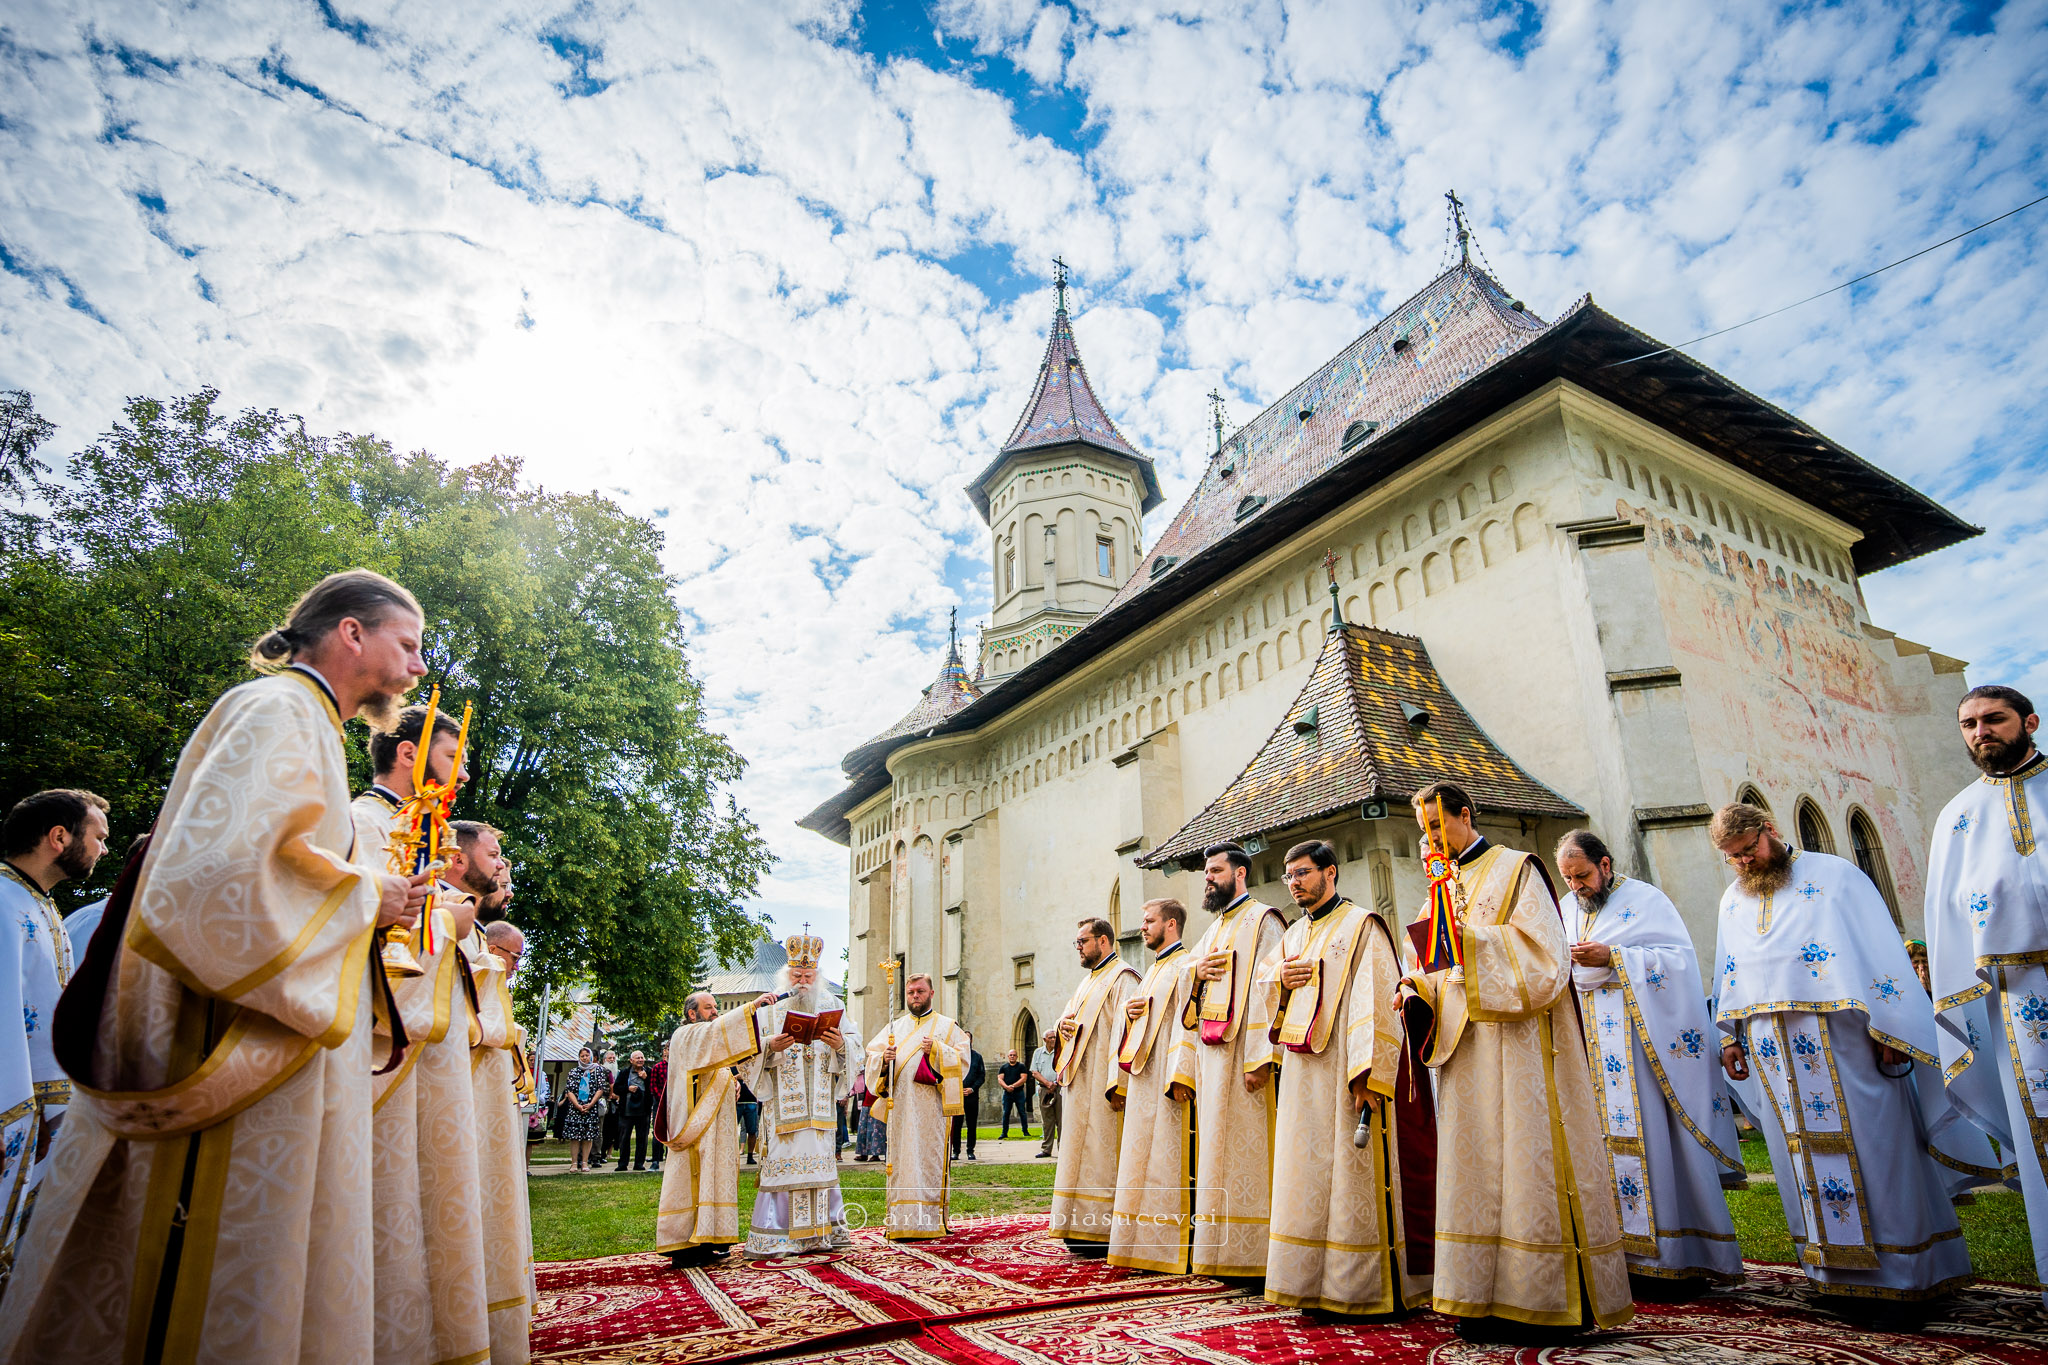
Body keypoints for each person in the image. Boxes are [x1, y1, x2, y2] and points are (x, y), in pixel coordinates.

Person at [0, 569, 434, 1363]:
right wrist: (369, 894)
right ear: (350, 632)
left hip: (266, 1065)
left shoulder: (305, 723)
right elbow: (219, 878)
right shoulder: (279, 711)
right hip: (225, 1063)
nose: (416, 668)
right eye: (407, 643)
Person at [1713, 800, 1974, 1322]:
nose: (1745, 864)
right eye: (1734, 859)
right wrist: (1730, 1037)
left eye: (1749, 851)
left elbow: (1880, 957)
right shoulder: (1733, 900)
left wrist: (1894, 1030)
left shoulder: (1835, 877)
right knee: (1800, 1159)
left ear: (1770, 830)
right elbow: (1729, 972)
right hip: (1774, 1050)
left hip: (1847, 1043)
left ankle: (1905, 1274)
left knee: (1879, 1149)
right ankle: (1832, 1276)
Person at [1401, 782, 1632, 1340]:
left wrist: (1470, 942)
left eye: (1437, 828)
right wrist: (1413, 987)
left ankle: (1540, 1298)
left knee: (1524, 1164)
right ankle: (1476, 1297)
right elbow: (1431, 963)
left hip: (1521, 1049)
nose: (1431, 841)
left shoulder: (1517, 869)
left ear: (1464, 814)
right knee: (1474, 1167)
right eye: (1423, 832)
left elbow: (1546, 960)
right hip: (1465, 1048)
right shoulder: (1440, 884)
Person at [352, 704, 490, 1365]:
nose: (462, 769)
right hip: (381, 1054)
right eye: (451, 755)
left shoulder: (431, 844)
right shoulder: (362, 822)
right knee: (385, 1214)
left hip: (434, 1056)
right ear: (408, 754)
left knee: (432, 1213)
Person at [1557, 829, 1741, 1293]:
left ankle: (1677, 1255)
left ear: (1605, 864)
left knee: (1661, 1143)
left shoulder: (1646, 900)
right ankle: (1617, 1257)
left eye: (1582, 876)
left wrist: (1614, 956)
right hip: (1594, 1053)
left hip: (1648, 1049)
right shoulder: (1564, 909)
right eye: (1568, 879)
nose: (1576, 887)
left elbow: (1678, 962)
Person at [1250, 840, 1427, 1317]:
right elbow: (1264, 985)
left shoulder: (1362, 925)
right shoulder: (1293, 936)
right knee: (1304, 1174)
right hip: (1303, 1075)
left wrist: (1366, 1073)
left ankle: (1359, 1289)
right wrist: (1277, 981)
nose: (1294, 883)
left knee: (1351, 1177)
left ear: (1330, 873)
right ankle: (1308, 1282)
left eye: (1303, 873)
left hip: (1346, 1073)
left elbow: (1376, 1001)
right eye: (1290, 876)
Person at [1926, 685, 2048, 1302]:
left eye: (1993, 719)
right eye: (1969, 723)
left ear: (2028, 721)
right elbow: (1946, 921)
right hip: (2015, 1009)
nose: (1981, 732)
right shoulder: (1957, 816)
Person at [0, 789, 108, 1282]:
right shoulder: (2, 902)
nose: (104, 849)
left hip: (39, 1119)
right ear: (59, 837)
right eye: (98, 837)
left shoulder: (45, 910)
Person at [1179, 842, 1286, 1277]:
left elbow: (1271, 987)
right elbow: (1187, 972)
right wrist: (1195, 973)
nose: (1208, 877)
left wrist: (1261, 1058)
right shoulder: (1214, 929)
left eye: (1215, 870)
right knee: (1216, 1152)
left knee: (1250, 1152)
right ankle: (1221, 1252)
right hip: (1212, 1060)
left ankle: (1255, 1254)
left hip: (1245, 1059)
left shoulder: (1264, 920)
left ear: (1240, 874)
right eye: (1206, 871)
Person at [744, 933, 860, 1254]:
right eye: (797, 975)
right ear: (787, 974)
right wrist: (770, 1047)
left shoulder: (833, 1005)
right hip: (784, 1110)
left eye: (809, 976)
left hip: (820, 1108)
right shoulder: (771, 1008)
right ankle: (779, 1239)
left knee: (820, 1168)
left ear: (818, 976)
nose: (803, 982)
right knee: (785, 1169)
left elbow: (856, 1046)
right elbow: (749, 1054)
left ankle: (821, 1236)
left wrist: (841, 1045)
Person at [1106, 898, 1196, 1273]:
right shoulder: (1155, 969)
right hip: (1144, 1079)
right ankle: (1144, 1240)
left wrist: (1181, 1073)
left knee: (1168, 1161)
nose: (1142, 927)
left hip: (1167, 1080)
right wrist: (1127, 1017)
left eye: (1149, 921)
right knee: (1143, 1162)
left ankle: (1171, 1245)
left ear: (1171, 924)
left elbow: (1189, 1022)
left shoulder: (1187, 965)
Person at [465, 905, 534, 1361]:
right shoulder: (477, 962)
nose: (514, 968)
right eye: (513, 958)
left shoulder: (485, 967)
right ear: (493, 950)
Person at [658, 989, 767, 1267]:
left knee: (713, 1178)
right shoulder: (687, 1035)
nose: (715, 1011)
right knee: (696, 1180)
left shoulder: (708, 1043)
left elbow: (726, 1060)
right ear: (692, 1013)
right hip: (696, 1132)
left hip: (716, 1132)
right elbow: (718, 1034)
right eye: (708, 1007)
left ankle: (708, 1238)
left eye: (716, 1006)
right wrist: (751, 1007)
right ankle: (686, 1245)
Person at [1050, 917, 1140, 1252]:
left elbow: (1127, 1032)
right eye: (1076, 942)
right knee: (1077, 1157)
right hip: (1078, 1084)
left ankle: (1102, 1230)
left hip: (1104, 1087)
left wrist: (1119, 1084)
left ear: (1103, 941)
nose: (1078, 947)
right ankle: (1077, 1226)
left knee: (1101, 1158)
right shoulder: (1088, 981)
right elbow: (1068, 1020)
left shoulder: (1123, 977)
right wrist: (1058, 1028)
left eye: (1082, 941)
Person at [864, 972, 968, 1239]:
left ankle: (931, 1221)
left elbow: (963, 1061)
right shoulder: (893, 1029)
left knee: (928, 1160)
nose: (915, 996)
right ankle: (900, 1222)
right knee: (902, 1161)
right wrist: (882, 1059)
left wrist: (936, 1050)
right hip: (899, 1109)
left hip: (931, 1110)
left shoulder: (947, 1026)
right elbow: (871, 1056)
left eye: (920, 991)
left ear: (931, 993)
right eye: (911, 992)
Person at [614, 1051, 656, 1171]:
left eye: (642, 1057)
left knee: (642, 1138)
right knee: (624, 1137)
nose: (640, 1060)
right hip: (626, 1111)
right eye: (637, 1058)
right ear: (631, 1060)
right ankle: (623, 1163)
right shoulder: (624, 1073)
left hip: (644, 1110)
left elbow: (654, 1088)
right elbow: (616, 1089)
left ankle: (639, 1163)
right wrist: (628, 1089)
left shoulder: (649, 1072)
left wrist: (646, 1079)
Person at [950, 1033, 985, 1161]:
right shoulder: (954, 1056)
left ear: (971, 1040)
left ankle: (970, 1150)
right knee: (957, 1125)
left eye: (968, 1038)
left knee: (971, 1124)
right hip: (957, 1095)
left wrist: (972, 1088)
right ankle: (956, 1151)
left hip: (971, 1096)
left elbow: (981, 1076)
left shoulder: (977, 1057)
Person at [1032, 1029, 1060, 1157]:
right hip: (1044, 1089)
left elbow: (1064, 1069)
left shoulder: (1060, 1052)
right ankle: (1046, 1149)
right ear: (1044, 1040)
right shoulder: (1038, 1053)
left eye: (1054, 1037)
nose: (1053, 1039)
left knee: (1061, 1119)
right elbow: (1034, 1071)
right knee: (1047, 1120)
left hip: (1059, 1088)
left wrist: (1054, 1082)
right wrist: (1047, 1083)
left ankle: (1062, 1148)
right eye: (1050, 1038)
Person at [997, 1049, 1032, 1138]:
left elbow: (1023, 1078)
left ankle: (1025, 1131)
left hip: (1019, 1092)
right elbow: (1000, 1079)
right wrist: (1007, 1087)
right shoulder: (1003, 1067)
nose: (1012, 1056)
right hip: (1007, 1093)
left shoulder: (1021, 1066)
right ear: (1008, 1056)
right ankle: (1004, 1133)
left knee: (1022, 1112)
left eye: (1014, 1055)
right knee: (1006, 1113)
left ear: (1016, 1056)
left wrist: (1013, 1086)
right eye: (1011, 1055)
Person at [597, 1048, 620, 1166]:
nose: (612, 1060)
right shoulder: (601, 1072)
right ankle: (599, 1153)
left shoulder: (618, 1073)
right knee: (602, 1130)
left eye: (613, 1058)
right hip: (603, 1104)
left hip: (615, 1106)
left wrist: (617, 1096)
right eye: (609, 1058)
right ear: (604, 1060)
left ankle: (607, 1152)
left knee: (612, 1131)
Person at [735, 1077, 761, 1165]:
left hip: (751, 1100)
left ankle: (750, 1156)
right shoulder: (732, 1065)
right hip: (736, 1102)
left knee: (752, 1130)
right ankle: (733, 1155)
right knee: (732, 1131)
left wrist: (739, 1075)